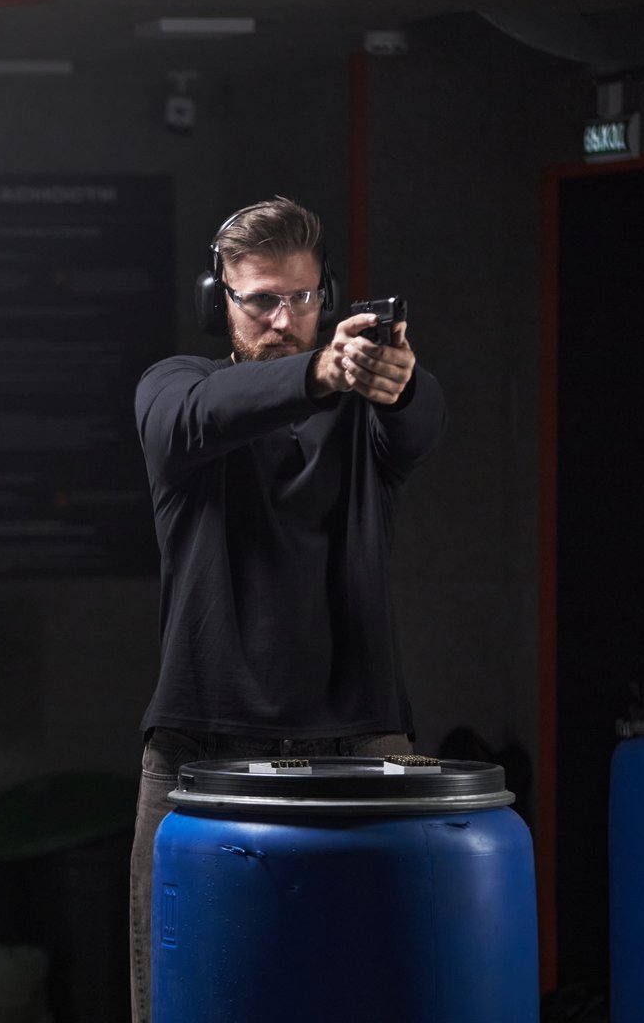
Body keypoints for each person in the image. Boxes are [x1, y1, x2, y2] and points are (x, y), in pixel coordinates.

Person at [127, 198, 447, 1022]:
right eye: (260, 300)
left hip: (359, 738)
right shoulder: (177, 387)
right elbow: (189, 423)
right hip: (201, 746)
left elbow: (419, 425)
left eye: (302, 298)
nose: (283, 317)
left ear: (326, 297)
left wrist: (399, 385)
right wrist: (314, 375)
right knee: (182, 1000)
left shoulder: (366, 407)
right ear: (218, 304)